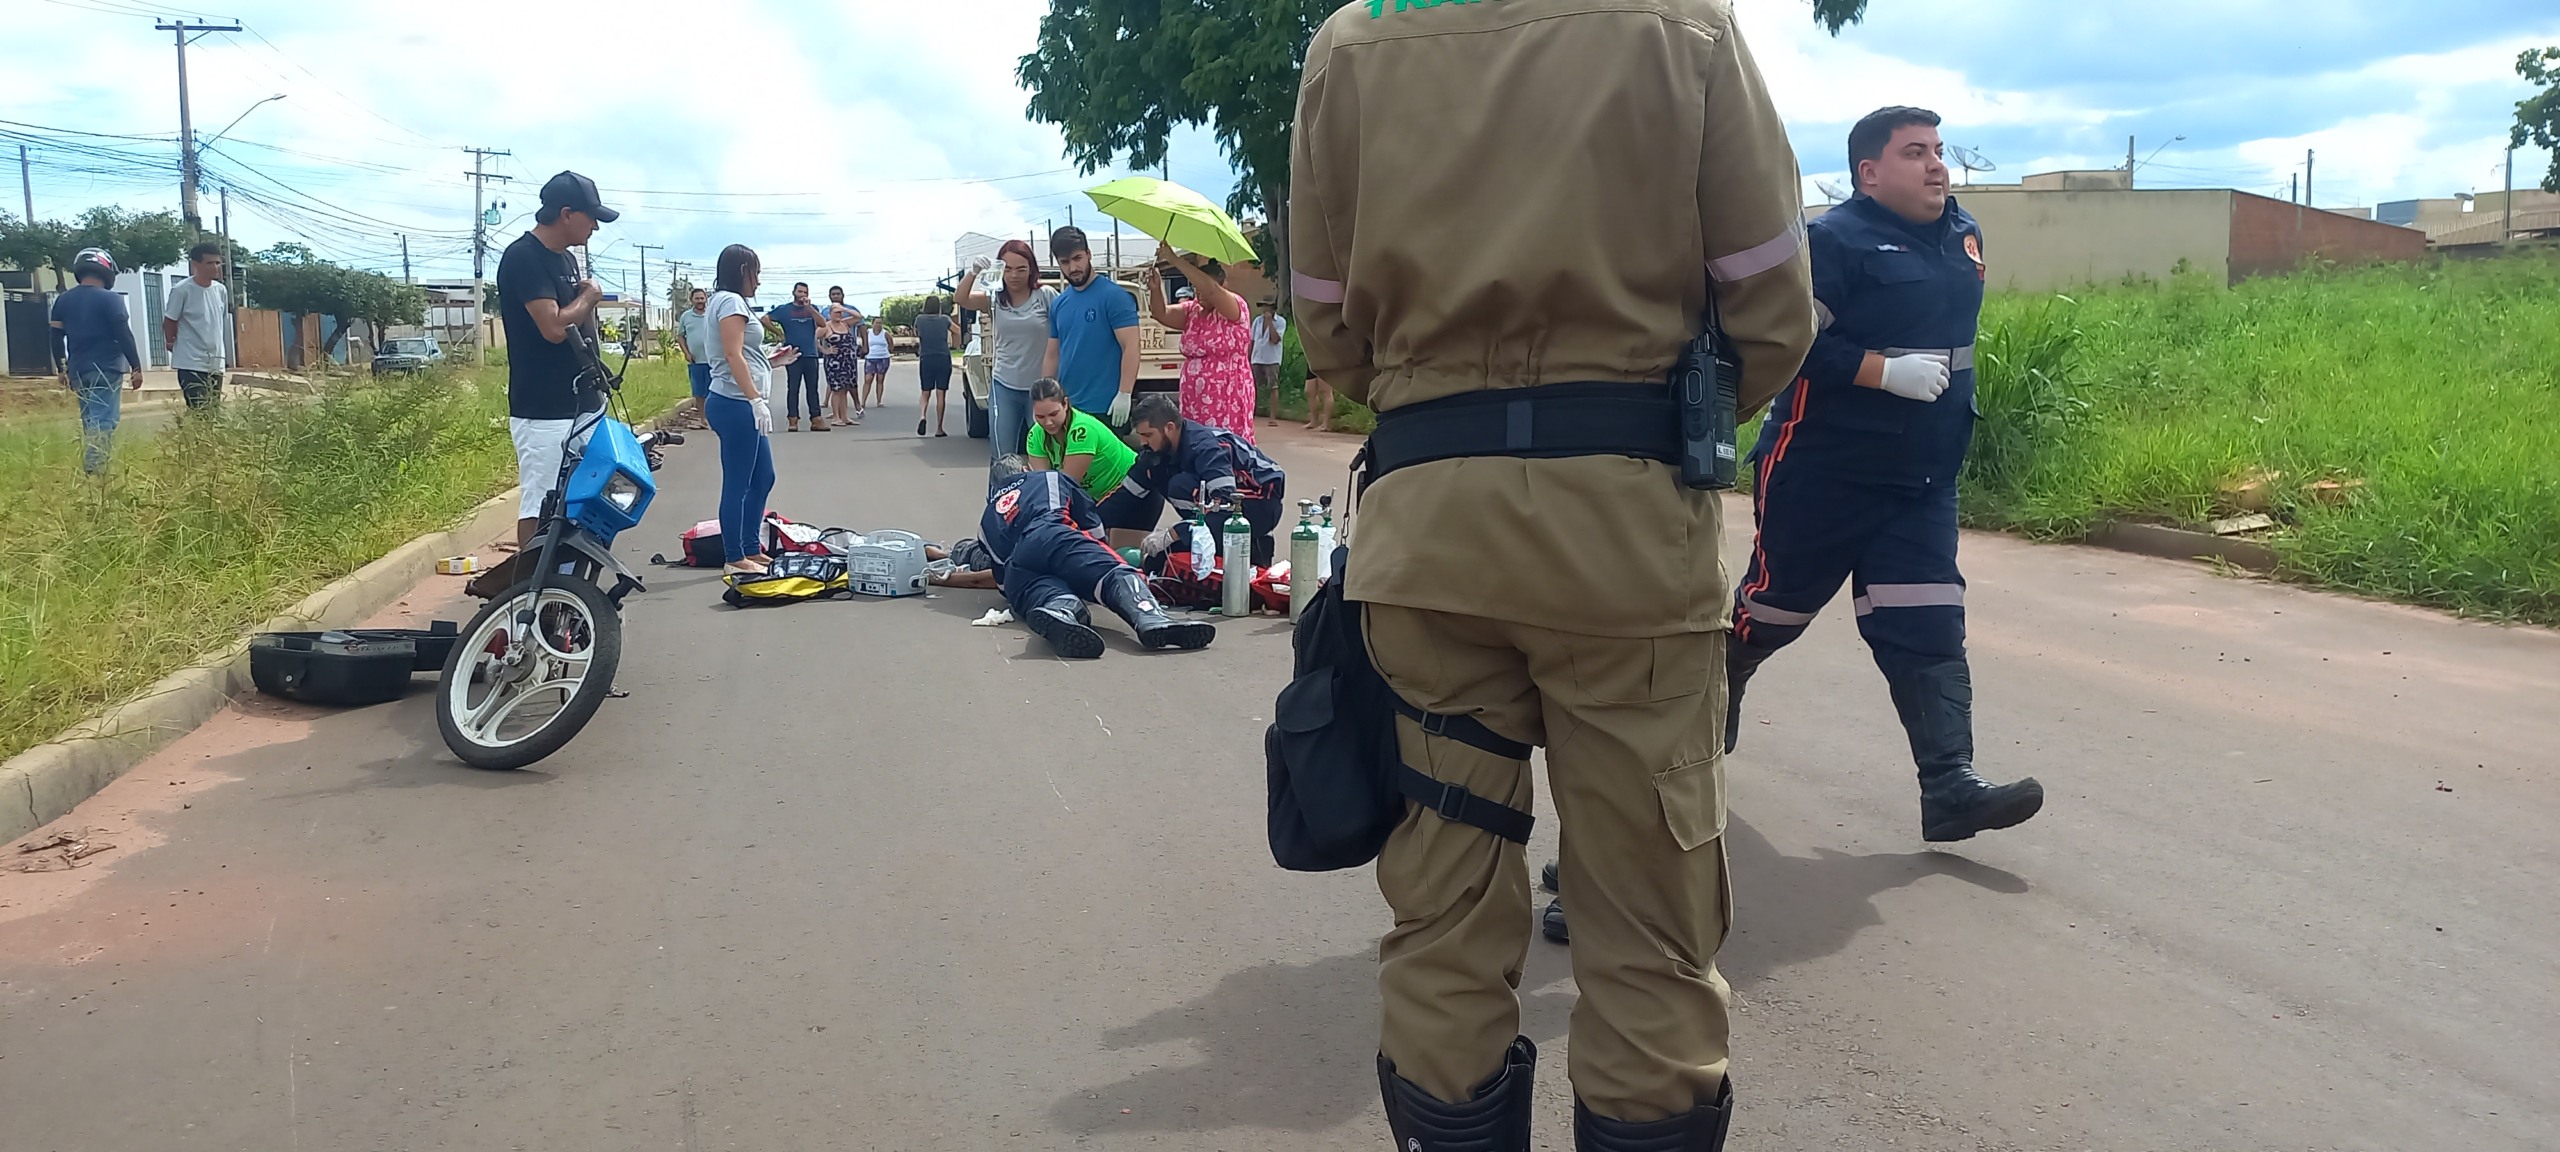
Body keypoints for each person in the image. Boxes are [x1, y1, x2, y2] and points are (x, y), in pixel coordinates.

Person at [1288, 2, 1817, 1148]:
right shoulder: (1681, 20)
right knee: (1645, 923)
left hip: (1427, 535)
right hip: (1625, 539)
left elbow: (1326, 326)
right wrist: (1655, 435)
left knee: (1445, 917)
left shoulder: (1351, 38)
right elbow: (1773, 301)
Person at [1725, 106, 2045, 843]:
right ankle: (1719, 684)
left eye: (1938, 150)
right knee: (1773, 615)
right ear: (1869, 172)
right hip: (1822, 474)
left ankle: (1950, 788)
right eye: (1914, 153)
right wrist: (1877, 370)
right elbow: (1777, 344)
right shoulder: (1831, 242)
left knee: (1927, 623)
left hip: (1922, 481)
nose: (1937, 165)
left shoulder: (1965, 236)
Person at [933, 456, 1214, 659]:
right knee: (1114, 573)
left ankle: (1062, 610)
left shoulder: (986, 519)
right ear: (1025, 470)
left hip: (1019, 569)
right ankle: (1151, 619)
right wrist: (1093, 566)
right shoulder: (1047, 478)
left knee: (1047, 592)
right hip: (1052, 532)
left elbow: (1002, 579)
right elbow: (1092, 527)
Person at [497, 171, 619, 548]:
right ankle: (533, 591)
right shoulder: (524, 258)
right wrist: (589, 299)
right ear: (566, 213)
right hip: (544, 408)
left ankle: (567, 584)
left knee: (581, 497)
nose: (596, 226)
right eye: (591, 216)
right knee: (541, 502)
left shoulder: (567, 259)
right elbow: (552, 327)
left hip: (583, 400)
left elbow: (579, 324)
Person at [703, 244, 793, 577]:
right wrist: (755, 398)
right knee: (738, 482)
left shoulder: (728, 302)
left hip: (740, 402)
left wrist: (772, 361)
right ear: (743, 271)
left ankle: (751, 547)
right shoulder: (731, 302)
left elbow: (741, 354)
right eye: (756, 272)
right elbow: (731, 354)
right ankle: (734, 555)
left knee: (763, 477)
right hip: (735, 404)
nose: (758, 280)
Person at [1126, 393, 1285, 568]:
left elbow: (1226, 501)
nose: (1142, 442)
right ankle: (1207, 543)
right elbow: (1123, 498)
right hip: (1230, 502)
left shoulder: (1205, 447)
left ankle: (1243, 545)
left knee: (1181, 487)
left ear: (1169, 428)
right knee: (1161, 558)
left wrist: (1175, 533)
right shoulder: (1159, 452)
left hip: (1261, 501)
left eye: (1148, 435)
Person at [952, 240, 1058, 475]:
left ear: (1031, 269)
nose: (1014, 275)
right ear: (1000, 270)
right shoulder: (994, 299)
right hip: (1005, 386)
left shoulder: (1045, 295)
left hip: (1039, 389)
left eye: (1021, 268)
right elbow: (961, 298)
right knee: (1002, 457)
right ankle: (1000, 507)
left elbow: (1065, 330)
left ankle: (1046, 506)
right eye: (1008, 269)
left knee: (1045, 455)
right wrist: (974, 272)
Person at [1143, 242, 1255, 442]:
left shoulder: (1235, 308)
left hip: (1226, 394)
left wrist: (1174, 259)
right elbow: (1160, 313)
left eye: (1202, 287)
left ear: (1223, 287)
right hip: (1194, 397)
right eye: (1196, 289)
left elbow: (1211, 291)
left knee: (1223, 444)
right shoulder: (1192, 311)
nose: (1200, 293)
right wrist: (1155, 289)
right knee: (1196, 444)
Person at [47, 247, 145, 474]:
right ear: (107, 270)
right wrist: (136, 367)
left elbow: (55, 336)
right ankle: (95, 473)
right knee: (104, 421)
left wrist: (62, 369)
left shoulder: (63, 300)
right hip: (107, 368)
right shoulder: (111, 299)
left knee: (90, 419)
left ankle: (95, 467)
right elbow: (123, 334)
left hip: (78, 371)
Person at [1039, 226, 1140, 429]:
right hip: (1068, 409)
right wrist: (1045, 398)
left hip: (1106, 408)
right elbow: (1053, 354)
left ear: (1089, 254)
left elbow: (1131, 346)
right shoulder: (1059, 304)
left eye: (1078, 258)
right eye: (1065, 262)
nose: (1073, 267)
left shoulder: (1115, 297)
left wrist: (1124, 393)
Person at [1024, 377, 1145, 538]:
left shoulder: (1082, 430)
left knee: (1104, 544)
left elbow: (1066, 485)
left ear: (1065, 404)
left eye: (1053, 414)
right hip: (1098, 495)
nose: (1048, 422)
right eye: (1040, 417)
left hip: (1132, 488)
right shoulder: (1035, 435)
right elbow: (1045, 486)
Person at [161, 240, 229, 409]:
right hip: (191, 362)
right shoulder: (182, 290)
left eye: (218, 262)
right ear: (195, 264)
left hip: (215, 362)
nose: (215, 267)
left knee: (213, 410)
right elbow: (170, 320)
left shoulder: (220, 290)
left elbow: (220, 320)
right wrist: (171, 342)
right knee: (199, 410)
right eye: (210, 263)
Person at [769, 282, 828, 432]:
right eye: (800, 291)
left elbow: (822, 323)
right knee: (793, 388)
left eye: (805, 292)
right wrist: (779, 334)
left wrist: (809, 308)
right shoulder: (785, 309)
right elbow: (765, 319)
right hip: (793, 355)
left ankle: (816, 419)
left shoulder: (812, 309)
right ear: (794, 292)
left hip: (811, 354)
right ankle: (793, 420)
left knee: (812, 388)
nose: (802, 294)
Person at [913, 295, 956, 437]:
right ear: (938, 306)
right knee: (941, 393)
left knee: (925, 391)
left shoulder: (920, 319)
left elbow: (916, 333)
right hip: (943, 357)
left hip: (926, 357)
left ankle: (922, 416)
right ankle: (939, 428)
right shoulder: (945, 319)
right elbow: (958, 330)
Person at [823, 287, 865, 427]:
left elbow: (859, 317)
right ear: (830, 314)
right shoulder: (826, 326)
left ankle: (845, 416)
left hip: (848, 360)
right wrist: (825, 350)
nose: (838, 314)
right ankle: (836, 417)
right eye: (836, 312)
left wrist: (844, 309)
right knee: (836, 389)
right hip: (835, 361)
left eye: (840, 312)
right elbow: (813, 338)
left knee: (846, 388)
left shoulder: (845, 323)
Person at [674, 287, 714, 429]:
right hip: (695, 361)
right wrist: (686, 353)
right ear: (692, 300)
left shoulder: (711, 314)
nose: (700, 301)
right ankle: (703, 419)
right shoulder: (686, 316)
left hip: (713, 361)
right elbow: (680, 336)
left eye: (702, 298)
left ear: (706, 299)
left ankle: (713, 418)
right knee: (699, 392)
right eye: (697, 298)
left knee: (713, 391)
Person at [1250, 301, 1287, 420]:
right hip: (1257, 357)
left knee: (1273, 386)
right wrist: (1247, 357)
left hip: (1272, 359)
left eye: (1267, 306)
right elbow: (1252, 340)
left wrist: (1270, 322)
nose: (1265, 309)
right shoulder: (1257, 321)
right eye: (1263, 306)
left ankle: (1272, 416)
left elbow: (1275, 340)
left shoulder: (1280, 322)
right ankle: (1252, 413)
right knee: (1253, 386)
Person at [863, 319, 893, 413]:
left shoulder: (885, 333)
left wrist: (887, 351)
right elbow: (864, 343)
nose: (878, 325)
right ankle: (863, 402)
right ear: (873, 324)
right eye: (876, 323)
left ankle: (879, 401)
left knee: (880, 379)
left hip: (883, 358)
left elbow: (891, 344)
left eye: (880, 323)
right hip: (870, 358)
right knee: (868, 379)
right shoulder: (868, 333)